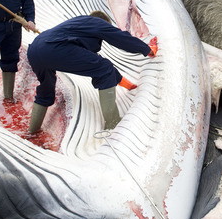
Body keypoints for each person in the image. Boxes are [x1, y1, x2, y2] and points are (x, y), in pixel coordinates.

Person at [26, 11, 158, 133]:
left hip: (35, 50)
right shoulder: (97, 22)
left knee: (46, 89)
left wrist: (126, 84)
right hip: (55, 48)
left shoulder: (78, 24)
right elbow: (120, 38)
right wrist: (146, 49)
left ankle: (32, 131)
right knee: (104, 69)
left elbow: (93, 61)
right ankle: (112, 123)